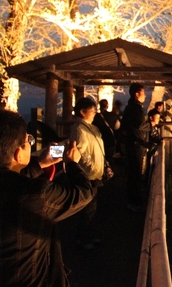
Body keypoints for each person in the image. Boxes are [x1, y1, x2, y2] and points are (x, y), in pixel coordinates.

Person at [0, 108, 93, 287]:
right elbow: (84, 193)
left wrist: (40, 164)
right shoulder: (38, 194)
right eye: (27, 141)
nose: (30, 144)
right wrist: (72, 164)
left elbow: (10, 186)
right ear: (17, 153)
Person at [69, 96, 107, 249]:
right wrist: (92, 168)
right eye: (92, 111)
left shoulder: (89, 127)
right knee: (88, 209)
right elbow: (80, 153)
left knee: (90, 208)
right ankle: (85, 239)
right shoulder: (80, 129)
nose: (94, 113)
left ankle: (85, 236)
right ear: (82, 112)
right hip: (88, 175)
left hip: (93, 173)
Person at [122, 83, 153, 211]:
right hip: (136, 146)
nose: (145, 95)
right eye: (143, 93)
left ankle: (133, 200)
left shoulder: (130, 107)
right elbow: (140, 124)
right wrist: (151, 124)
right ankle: (135, 202)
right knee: (136, 174)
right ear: (136, 94)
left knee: (133, 174)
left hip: (132, 144)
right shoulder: (136, 108)